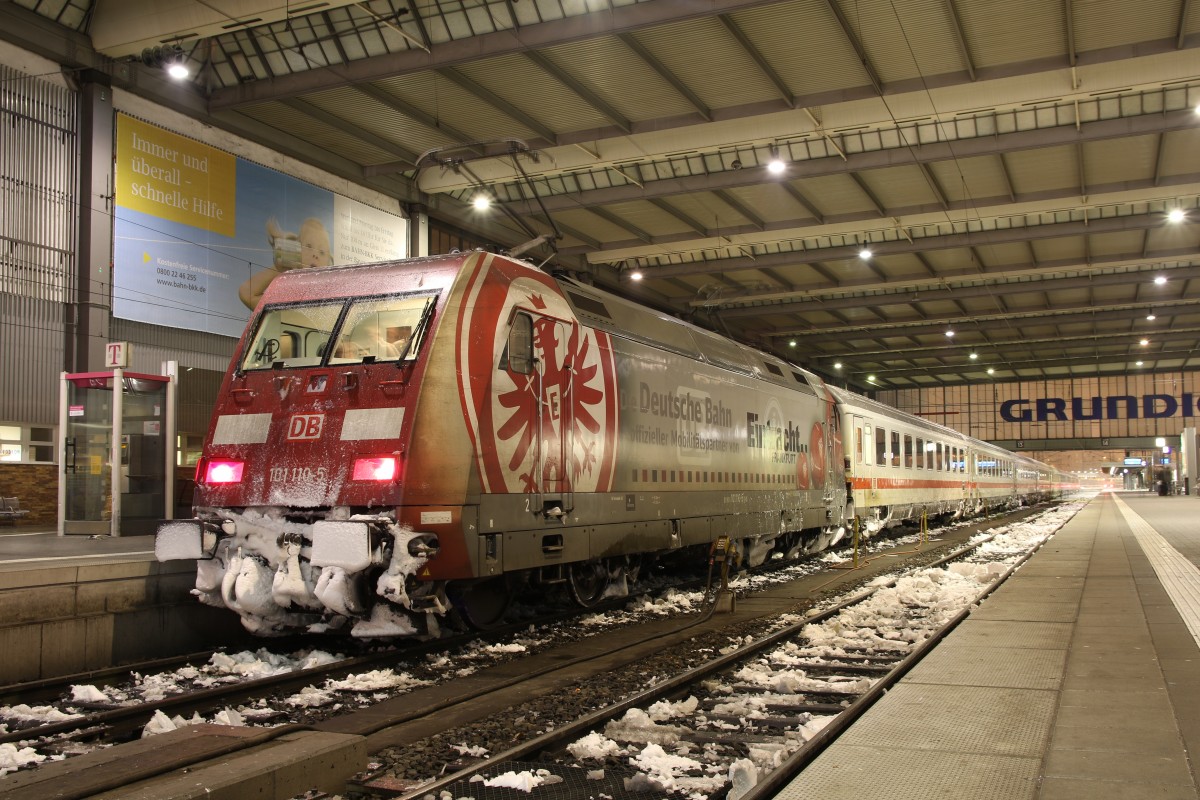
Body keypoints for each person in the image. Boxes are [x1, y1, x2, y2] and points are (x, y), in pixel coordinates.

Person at [238, 217, 332, 310]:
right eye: (309, 246)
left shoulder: (331, 302)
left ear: (328, 264)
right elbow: (246, 293)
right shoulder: (286, 300)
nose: (315, 254)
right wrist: (278, 269)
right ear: (296, 251)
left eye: (322, 252)